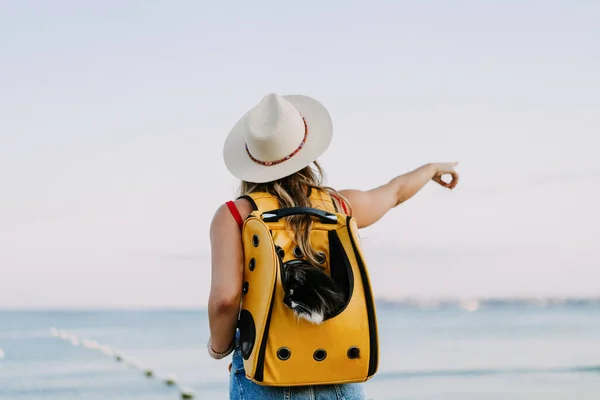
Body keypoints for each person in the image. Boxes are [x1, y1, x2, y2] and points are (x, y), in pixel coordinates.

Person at [207, 93, 459, 400]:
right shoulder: (338, 206)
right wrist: (432, 168)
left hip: (265, 372)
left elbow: (225, 299)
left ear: (251, 160)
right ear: (305, 153)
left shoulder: (235, 216)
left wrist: (219, 348)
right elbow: (395, 193)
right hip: (339, 368)